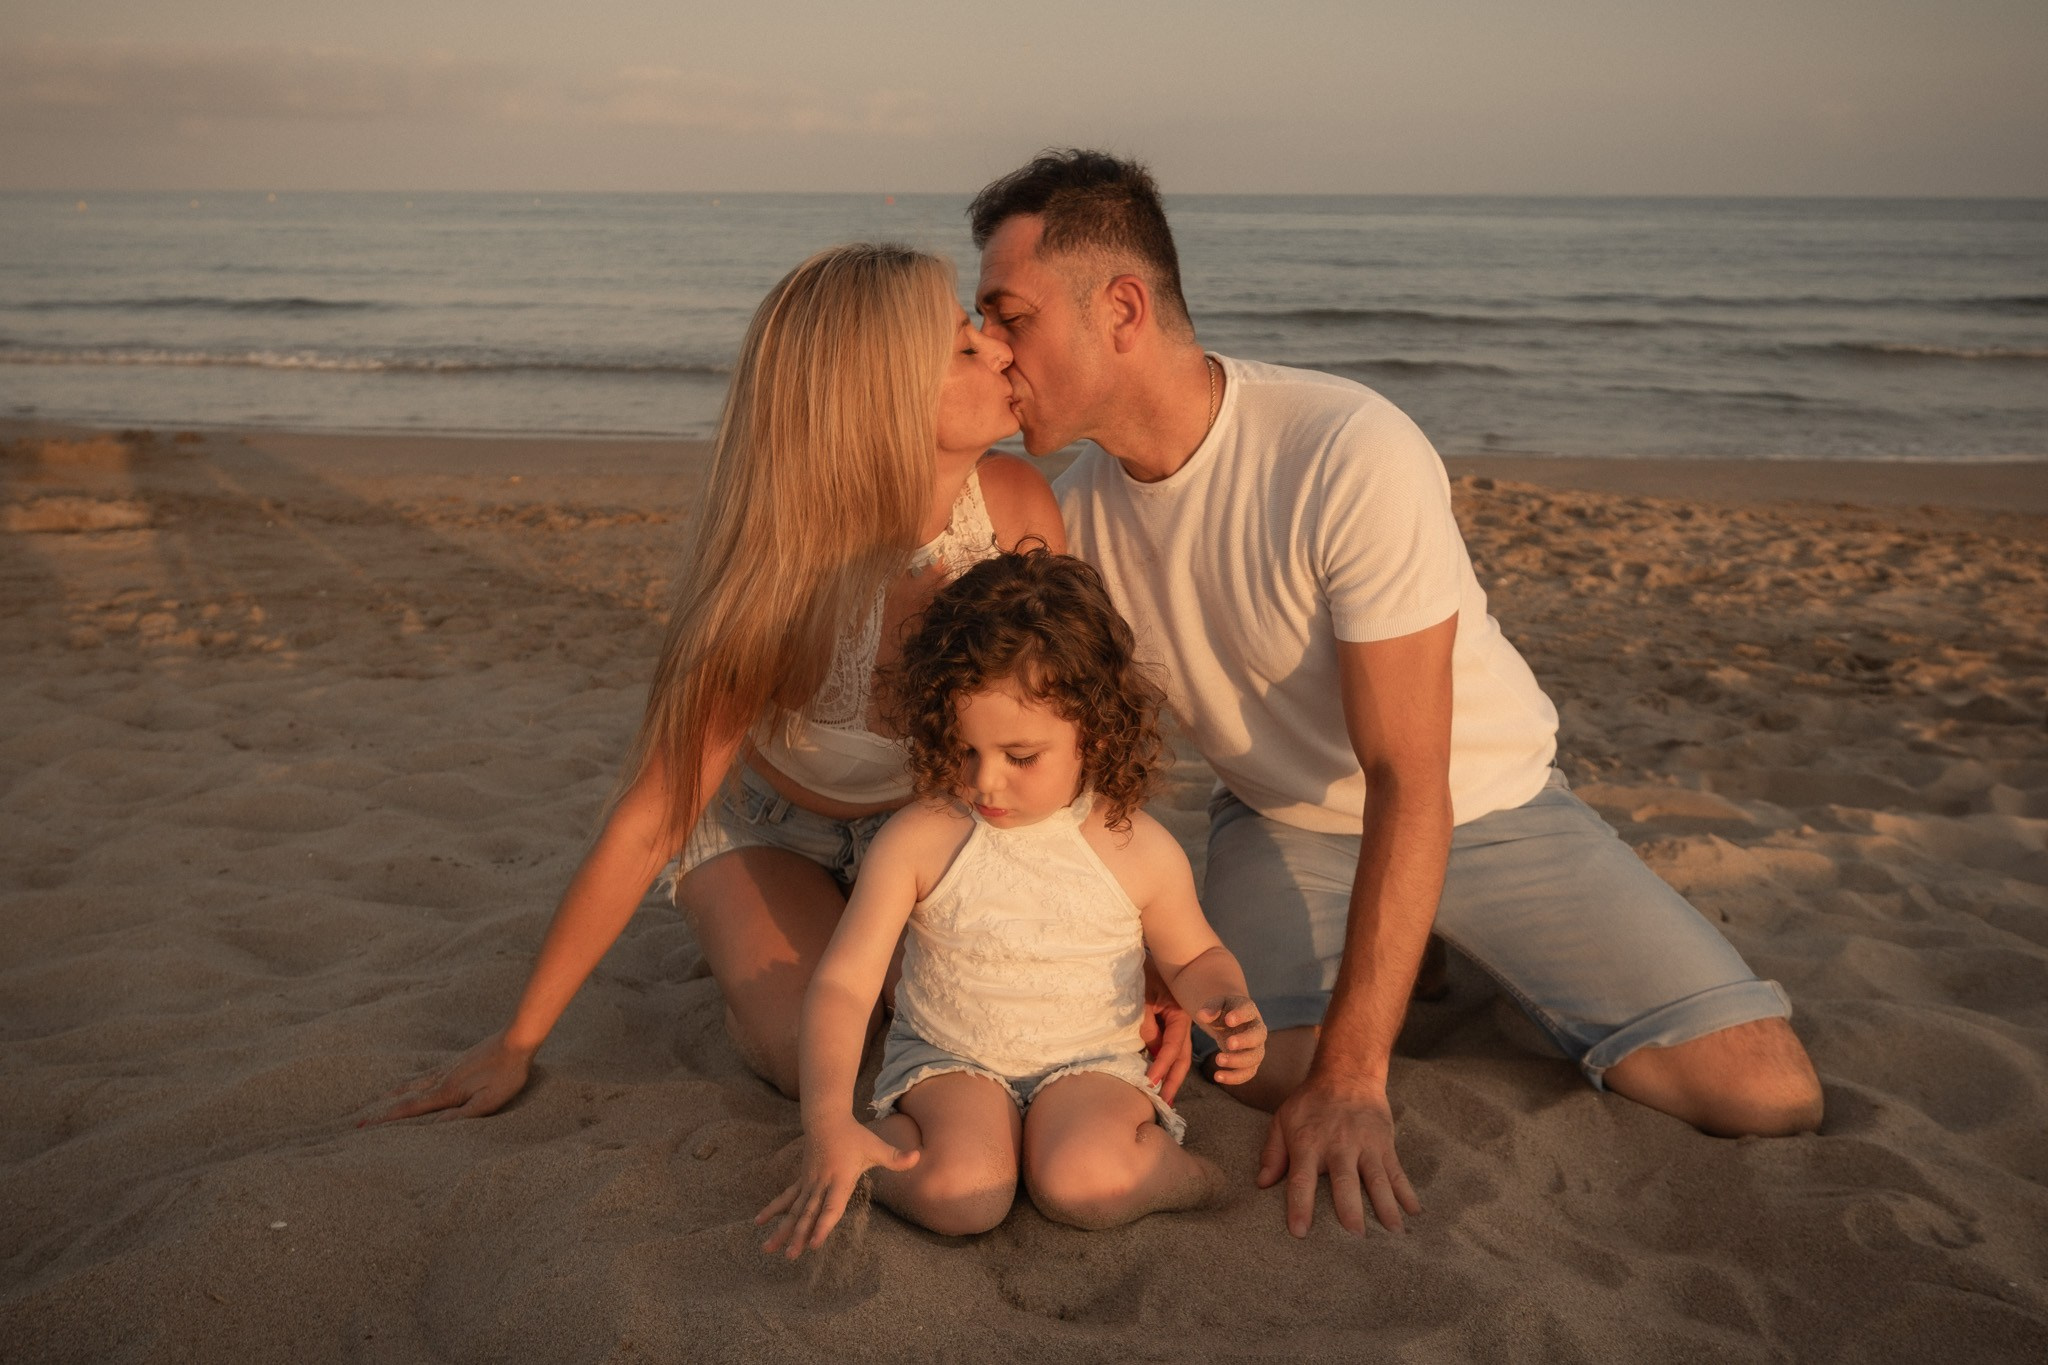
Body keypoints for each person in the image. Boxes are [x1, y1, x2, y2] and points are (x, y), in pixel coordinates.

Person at [965, 150, 1826, 1239]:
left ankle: (1451, 953)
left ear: (1123, 309)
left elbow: (1409, 775)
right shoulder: (1073, 515)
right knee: (1242, 1065)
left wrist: (1355, 1081)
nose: (993, 347)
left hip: (1482, 806)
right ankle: (1411, 955)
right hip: (1278, 822)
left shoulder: (1341, 446)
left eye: (1010, 316)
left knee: (1763, 1093)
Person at [368, 242, 1067, 1123]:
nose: (1001, 349)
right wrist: (517, 1040)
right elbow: (649, 820)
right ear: (881, 396)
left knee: (960, 1018)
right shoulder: (784, 577)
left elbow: (1067, 736)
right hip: (773, 832)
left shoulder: (1015, 510)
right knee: (813, 1055)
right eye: (965, 346)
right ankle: (744, 944)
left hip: (931, 827)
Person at [756, 550, 1266, 1255]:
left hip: (1090, 1063)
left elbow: (1194, 954)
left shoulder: (1136, 846)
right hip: (950, 1060)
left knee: (1083, 1181)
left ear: (1095, 732)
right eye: (964, 748)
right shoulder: (919, 839)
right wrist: (826, 1122)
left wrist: (1225, 1001)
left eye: (1020, 756)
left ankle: (1190, 1175)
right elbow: (846, 983)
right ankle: (867, 1149)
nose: (985, 781)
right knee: (965, 1193)